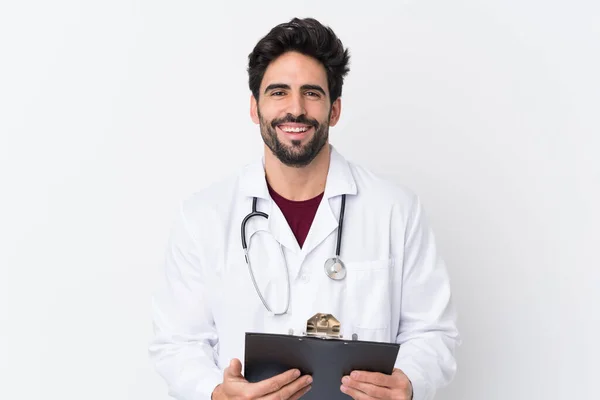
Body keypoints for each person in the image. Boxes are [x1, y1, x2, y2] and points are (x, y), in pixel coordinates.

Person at [149, 17, 460, 400]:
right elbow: (177, 343)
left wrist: (409, 382)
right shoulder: (203, 217)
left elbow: (433, 332)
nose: (295, 109)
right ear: (254, 108)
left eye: (312, 93)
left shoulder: (396, 211)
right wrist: (214, 392)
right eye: (278, 92)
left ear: (334, 110)